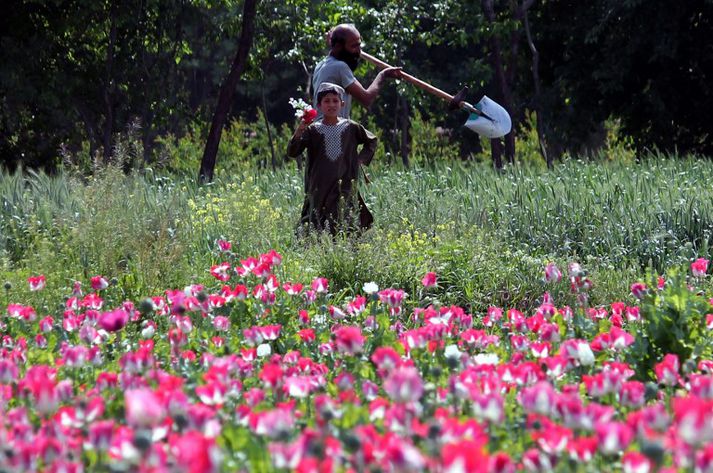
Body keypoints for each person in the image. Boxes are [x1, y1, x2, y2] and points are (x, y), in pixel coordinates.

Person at [288, 82, 377, 234]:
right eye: (327, 101)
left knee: (345, 219)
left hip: (345, 181)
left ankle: (347, 249)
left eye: (335, 101)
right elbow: (293, 151)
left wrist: (359, 160)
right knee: (316, 221)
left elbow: (371, 141)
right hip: (319, 184)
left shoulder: (351, 127)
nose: (331, 105)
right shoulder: (313, 129)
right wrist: (299, 130)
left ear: (342, 104)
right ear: (319, 105)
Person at [312, 23, 401, 119]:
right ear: (338, 46)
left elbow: (337, 49)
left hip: (321, 128)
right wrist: (383, 74)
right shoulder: (340, 67)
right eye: (354, 46)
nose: (358, 51)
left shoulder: (321, 64)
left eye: (359, 45)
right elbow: (367, 99)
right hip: (332, 131)